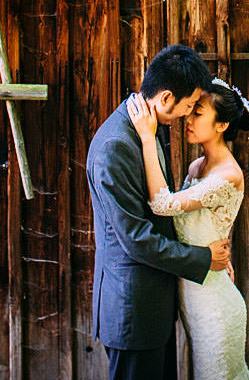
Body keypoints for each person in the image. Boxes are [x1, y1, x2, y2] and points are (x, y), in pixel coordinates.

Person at [87, 44, 231, 380]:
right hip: (134, 310)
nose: (188, 114)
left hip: (154, 307)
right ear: (166, 97)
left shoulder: (150, 128)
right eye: (189, 105)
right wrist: (203, 258)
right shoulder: (116, 146)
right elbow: (136, 238)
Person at [127, 76, 249, 380]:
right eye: (191, 110)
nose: (188, 119)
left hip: (215, 306)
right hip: (193, 298)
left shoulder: (228, 174)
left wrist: (147, 138)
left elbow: (162, 205)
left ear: (221, 125)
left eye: (198, 113)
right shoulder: (196, 168)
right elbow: (192, 224)